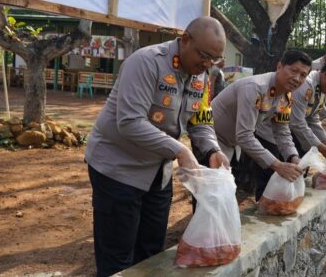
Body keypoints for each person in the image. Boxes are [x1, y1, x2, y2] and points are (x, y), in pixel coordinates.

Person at [85, 17, 230, 276]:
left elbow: (201, 120)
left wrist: (211, 149)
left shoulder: (202, 76)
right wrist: (180, 150)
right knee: (118, 256)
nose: (208, 64)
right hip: (118, 167)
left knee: (151, 251)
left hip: (157, 172)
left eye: (215, 59)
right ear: (185, 40)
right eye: (204, 55)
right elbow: (129, 122)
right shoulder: (146, 62)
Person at [212, 50, 312, 201]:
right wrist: (278, 165)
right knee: (211, 192)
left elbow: (282, 131)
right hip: (212, 136)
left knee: (223, 191)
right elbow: (245, 135)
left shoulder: (286, 97)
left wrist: (293, 157)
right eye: (294, 71)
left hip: (232, 142)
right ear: (279, 66)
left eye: (303, 75)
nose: (297, 78)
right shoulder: (255, 88)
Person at [288, 58, 326, 159]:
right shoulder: (306, 86)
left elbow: (313, 118)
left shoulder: (321, 88)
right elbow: (298, 123)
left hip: (292, 134)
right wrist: (322, 148)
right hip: (275, 134)